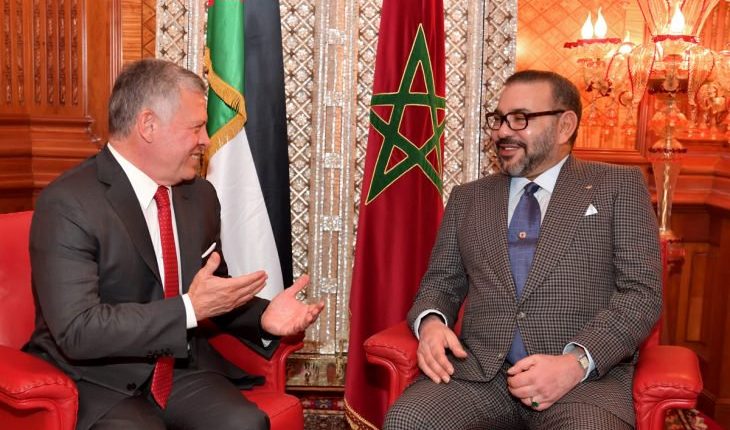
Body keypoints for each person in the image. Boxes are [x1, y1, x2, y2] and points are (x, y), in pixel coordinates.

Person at [25, 58, 324, 430]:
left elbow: (210, 292)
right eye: (196, 127)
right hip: (97, 377)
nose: (206, 140)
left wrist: (262, 317)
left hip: (179, 366)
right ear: (148, 125)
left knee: (245, 424)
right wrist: (188, 309)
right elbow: (78, 330)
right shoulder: (69, 203)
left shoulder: (199, 196)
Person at [384, 70, 662, 429]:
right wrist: (432, 324)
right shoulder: (468, 198)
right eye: (499, 119)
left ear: (564, 126)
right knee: (407, 420)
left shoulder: (617, 186)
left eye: (520, 118)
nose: (502, 131)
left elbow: (641, 294)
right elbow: (441, 283)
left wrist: (576, 363)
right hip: (481, 377)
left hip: (582, 383)